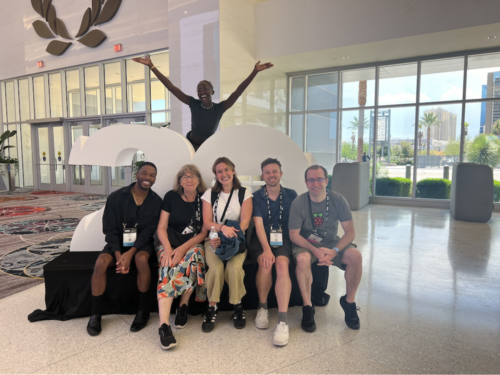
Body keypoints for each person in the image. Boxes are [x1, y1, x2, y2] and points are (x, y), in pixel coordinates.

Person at [133, 56, 273, 150]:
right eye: (199, 90)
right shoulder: (193, 103)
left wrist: (255, 71)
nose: (202, 92)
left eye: (205, 89)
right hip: (191, 145)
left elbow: (238, 91)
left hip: (208, 147)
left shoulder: (220, 108)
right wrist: (151, 66)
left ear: (212, 92)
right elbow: (171, 87)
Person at [87, 162, 162, 336]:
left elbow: (149, 233)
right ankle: (95, 314)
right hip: (117, 244)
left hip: (141, 245)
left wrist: (131, 253)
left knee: (142, 260)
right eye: (144, 173)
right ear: (136, 174)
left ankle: (143, 311)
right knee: (100, 263)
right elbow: (110, 229)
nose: (148, 178)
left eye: (152, 175)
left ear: (155, 179)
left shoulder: (157, 201)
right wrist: (119, 255)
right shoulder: (116, 197)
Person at [289, 165, 363, 332]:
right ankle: (308, 307)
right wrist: (315, 250)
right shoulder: (298, 202)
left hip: (331, 244)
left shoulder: (338, 200)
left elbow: (350, 233)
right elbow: (294, 235)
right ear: (306, 182)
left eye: (320, 179)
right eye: (311, 180)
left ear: (327, 181)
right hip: (306, 244)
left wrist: (334, 251)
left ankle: (349, 302)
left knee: (355, 256)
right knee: (302, 259)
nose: (316, 183)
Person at [156, 164, 208, 350]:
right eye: (185, 176)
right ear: (179, 181)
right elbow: (161, 227)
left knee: (194, 257)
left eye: (193, 176)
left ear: (198, 180)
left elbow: (203, 232)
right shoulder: (171, 197)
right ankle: (163, 325)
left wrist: (184, 248)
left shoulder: (204, 199)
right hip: (168, 244)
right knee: (167, 265)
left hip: (192, 245)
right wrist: (169, 249)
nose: (189, 179)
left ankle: (183, 306)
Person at [249, 158, 297, 347]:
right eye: (267, 172)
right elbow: (259, 226)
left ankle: (283, 321)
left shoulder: (292, 195)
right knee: (266, 263)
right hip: (261, 241)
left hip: (283, 240)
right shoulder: (256, 197)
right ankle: (262, 308)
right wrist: (267, 250)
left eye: (274, 171)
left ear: (281, 174)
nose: (271, 175)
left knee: (282, 264)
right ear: (263, 175)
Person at [201, 157, 252, 332]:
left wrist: (230, 235)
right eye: (219, 171)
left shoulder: (245, 193)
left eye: (226, 170)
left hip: (236, 241)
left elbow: (244, 223)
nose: (224, 174)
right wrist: (221, 230)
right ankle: (212, 306)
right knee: (215, 268)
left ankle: (237, 306)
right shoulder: (209, 194)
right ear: (215, 174)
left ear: (233, 170)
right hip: (214, 239)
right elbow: (207, 222)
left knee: (234, 267)